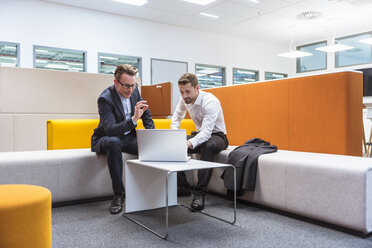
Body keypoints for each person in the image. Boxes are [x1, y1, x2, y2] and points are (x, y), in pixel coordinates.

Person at [91, 64, 154, 215]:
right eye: (126, 86)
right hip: (106, 137)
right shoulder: (105, 99)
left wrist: (152, 135)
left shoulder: (134, 90)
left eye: (133, 85)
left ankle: (157, 190)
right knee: (114, 143)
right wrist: (133, 120)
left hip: (128, 137)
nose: (130, 90)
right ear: (116, 82)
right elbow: (111, 129)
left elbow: (145, 112)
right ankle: (118, 195)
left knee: (152, 146)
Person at [171, 73, 228, 211]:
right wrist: (175, 135)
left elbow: (207, 133)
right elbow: (176, 118)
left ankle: (199, 194)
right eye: (181, 92)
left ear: (197, 88)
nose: (184, 96)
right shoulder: (184, 99)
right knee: (174, 144)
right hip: (199, 134)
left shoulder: (210, 102)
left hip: (218, 136)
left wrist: (188, 143)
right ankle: (183, 186)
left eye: (188, 92)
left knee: (207, 146)